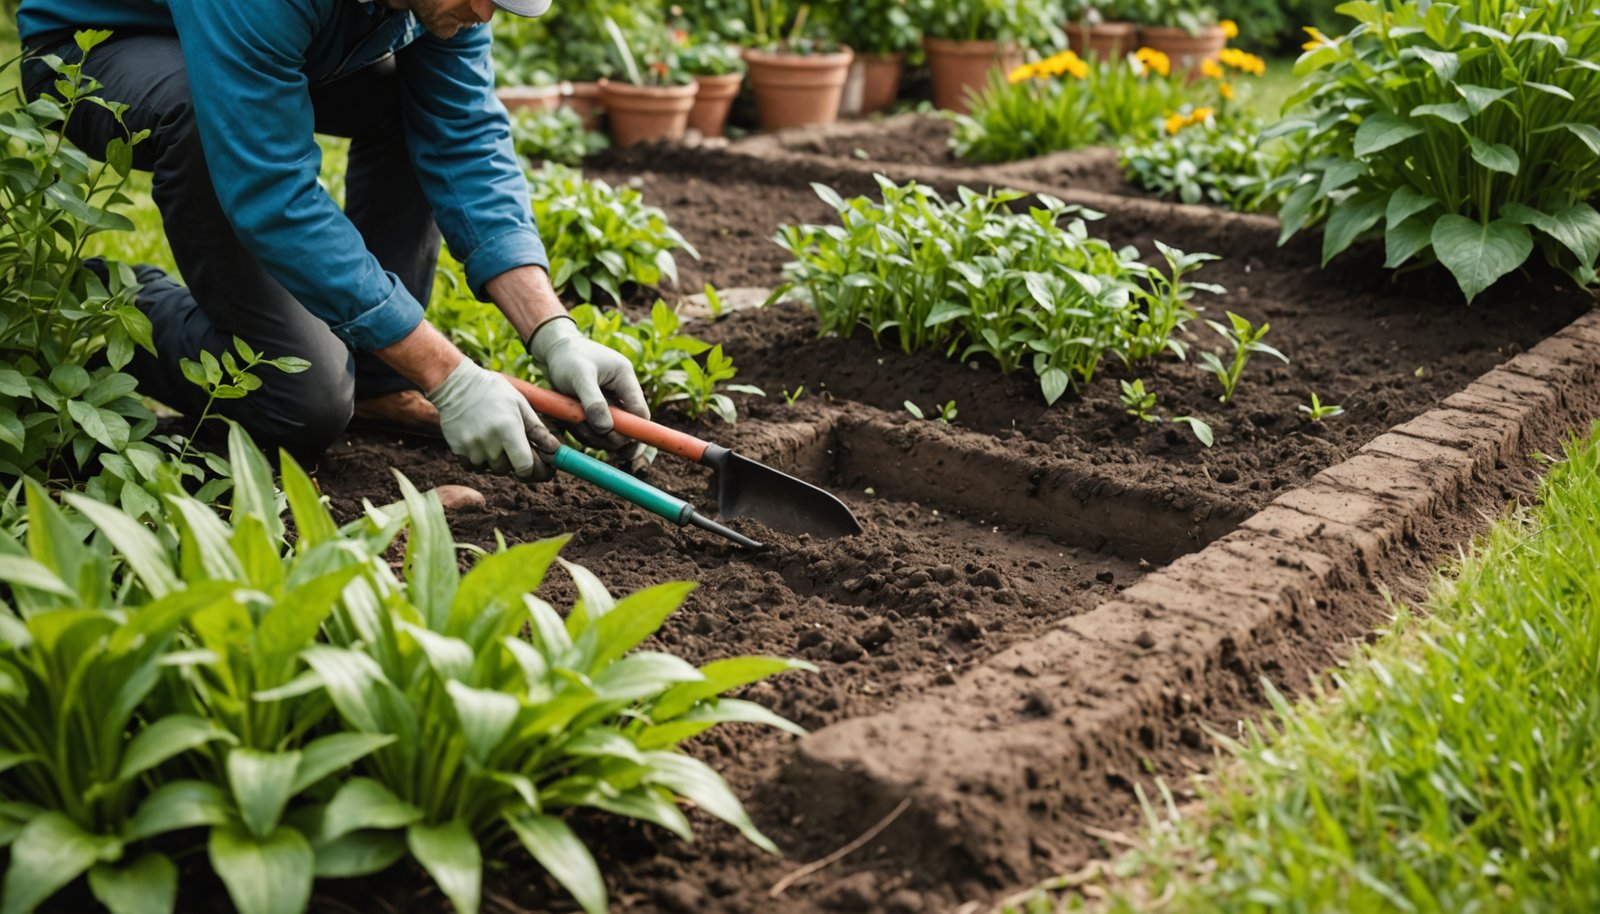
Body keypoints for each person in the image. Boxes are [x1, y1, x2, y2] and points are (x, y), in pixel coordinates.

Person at [16, 0, 648, 480]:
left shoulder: (448, 5)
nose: (485, 13)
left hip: (264, 40)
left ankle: (377, 379)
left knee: (410, 100)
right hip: (101, 45)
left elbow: (464, 136)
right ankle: (90, 305)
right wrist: (448, 374)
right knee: (300, 403)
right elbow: (273, 192)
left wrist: (553, 331)